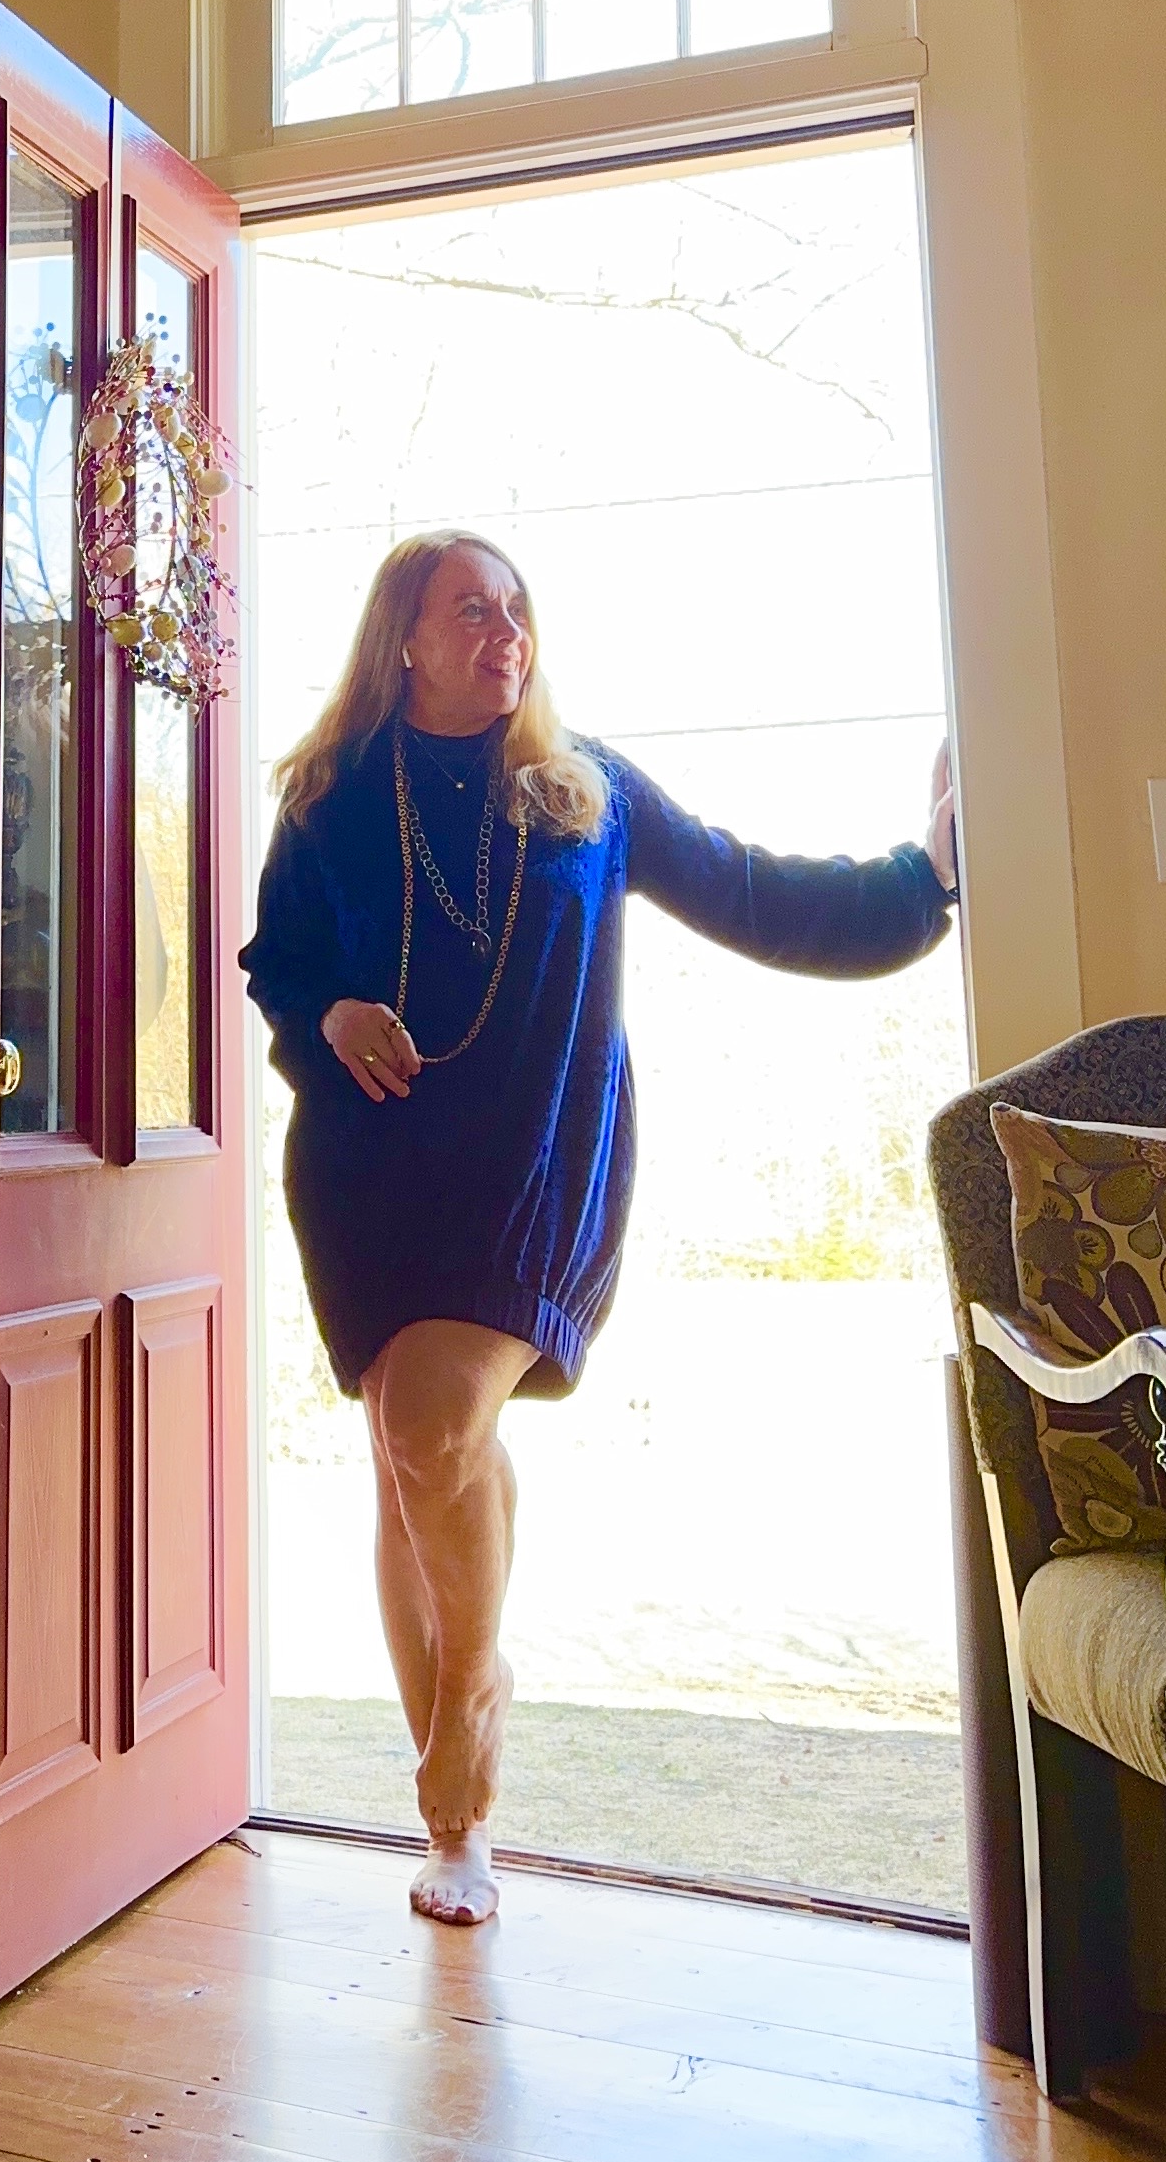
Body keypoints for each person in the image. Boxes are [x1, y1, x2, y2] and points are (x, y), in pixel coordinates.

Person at [239, 534, 959, 1930]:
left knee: (433, 1426)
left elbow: (756, 891)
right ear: (404, 639)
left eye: (516, 608)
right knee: (409, 1456)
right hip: (368, 1171)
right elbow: (281, 966)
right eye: (471, 608)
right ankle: (456, 1818)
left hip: (536, 1167)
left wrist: (919, 882)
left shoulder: (588, 792)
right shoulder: (329, 795)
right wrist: (328, 1013)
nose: (505, 629)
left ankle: (469, 1714)